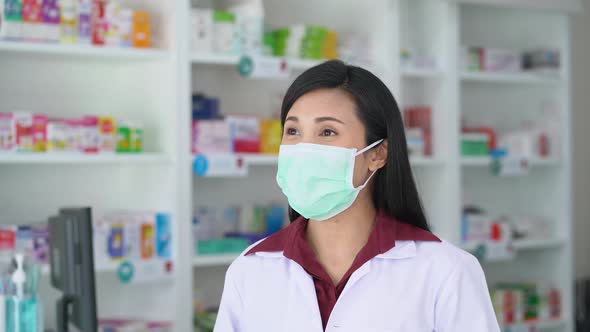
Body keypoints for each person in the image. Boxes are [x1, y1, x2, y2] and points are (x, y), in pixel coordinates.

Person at [214, 60, 500, 332]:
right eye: (293, 131)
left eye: (327, 132)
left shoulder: (446, 271)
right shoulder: (250, 270)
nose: (304, 148)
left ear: (377, 153)